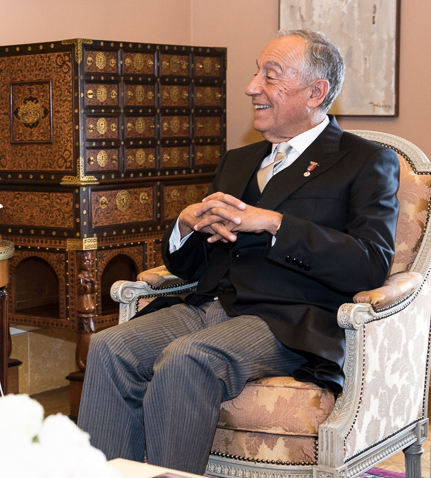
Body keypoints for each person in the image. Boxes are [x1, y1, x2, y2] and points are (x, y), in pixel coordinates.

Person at [77, 30, 400, 474]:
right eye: (256, 74)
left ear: (315, 92)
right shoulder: (239, 160)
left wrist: (275, 223)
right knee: (110, 346)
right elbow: (192, 264)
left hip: (290, 319)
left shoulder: (364, 160)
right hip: (212, 303)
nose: (251, 87)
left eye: (270, 76)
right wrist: (184, 227)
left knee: (188, 359)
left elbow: (370, 264)